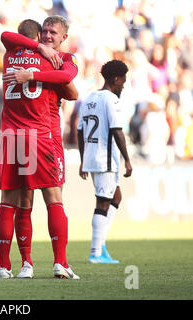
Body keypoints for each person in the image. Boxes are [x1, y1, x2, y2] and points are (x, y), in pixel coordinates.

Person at [0, 19, 79, 280]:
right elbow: (69, 84)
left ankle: (12, 266)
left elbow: (6, 35)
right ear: (37, 34)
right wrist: (40, 57)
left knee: (15, 202)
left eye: (52, 33)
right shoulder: (56, 59)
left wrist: (29, 73)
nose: (47, 36)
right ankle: (60, 263)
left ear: (64, 36)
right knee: (53, 197)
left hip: (11, 136)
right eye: (44, 32)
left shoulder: (10, 55)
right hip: (41, 136)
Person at [77, 59, 132, 264]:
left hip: (92, 156)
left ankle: (101, 245)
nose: (123, 86)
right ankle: (95, 252)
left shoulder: (90, 98)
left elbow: (80, 131)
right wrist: (127, 159)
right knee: (102, 202)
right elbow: (116, 130)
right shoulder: (111, 99)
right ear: (115, 79)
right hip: (105, 158)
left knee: (115, 197)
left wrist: (83, 160)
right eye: (122, 82)